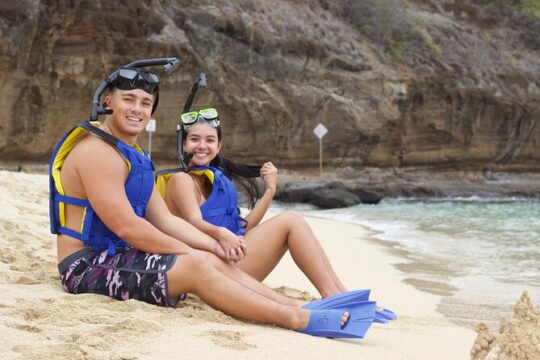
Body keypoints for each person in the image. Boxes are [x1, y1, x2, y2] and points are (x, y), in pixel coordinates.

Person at [49, 61, 377, 339]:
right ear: (108, 101)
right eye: (128, 100)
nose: (137, 109)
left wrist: (214, 241)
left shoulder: (134, 155)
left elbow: (165, 220)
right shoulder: (96, 152)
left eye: (145, 103)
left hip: (121, 257)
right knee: (196, 261)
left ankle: (296, 306)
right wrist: (192, 249)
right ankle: (297, 319)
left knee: (208, 254)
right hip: (86, 266)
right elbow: (128, 226)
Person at [159, 107, 396, 322]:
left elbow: (243, 228)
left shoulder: (214, 181)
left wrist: (270, 191)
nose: (202, 146)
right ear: (183, 145)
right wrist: (221, 234)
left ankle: (339, 294)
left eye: (210, 140)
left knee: (292, 220)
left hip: (230, 266)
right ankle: (336, 296)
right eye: (195, 139)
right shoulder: (182, 180)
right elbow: (193, 221)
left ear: (219, 146)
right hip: (209, 273)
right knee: (290, 220)